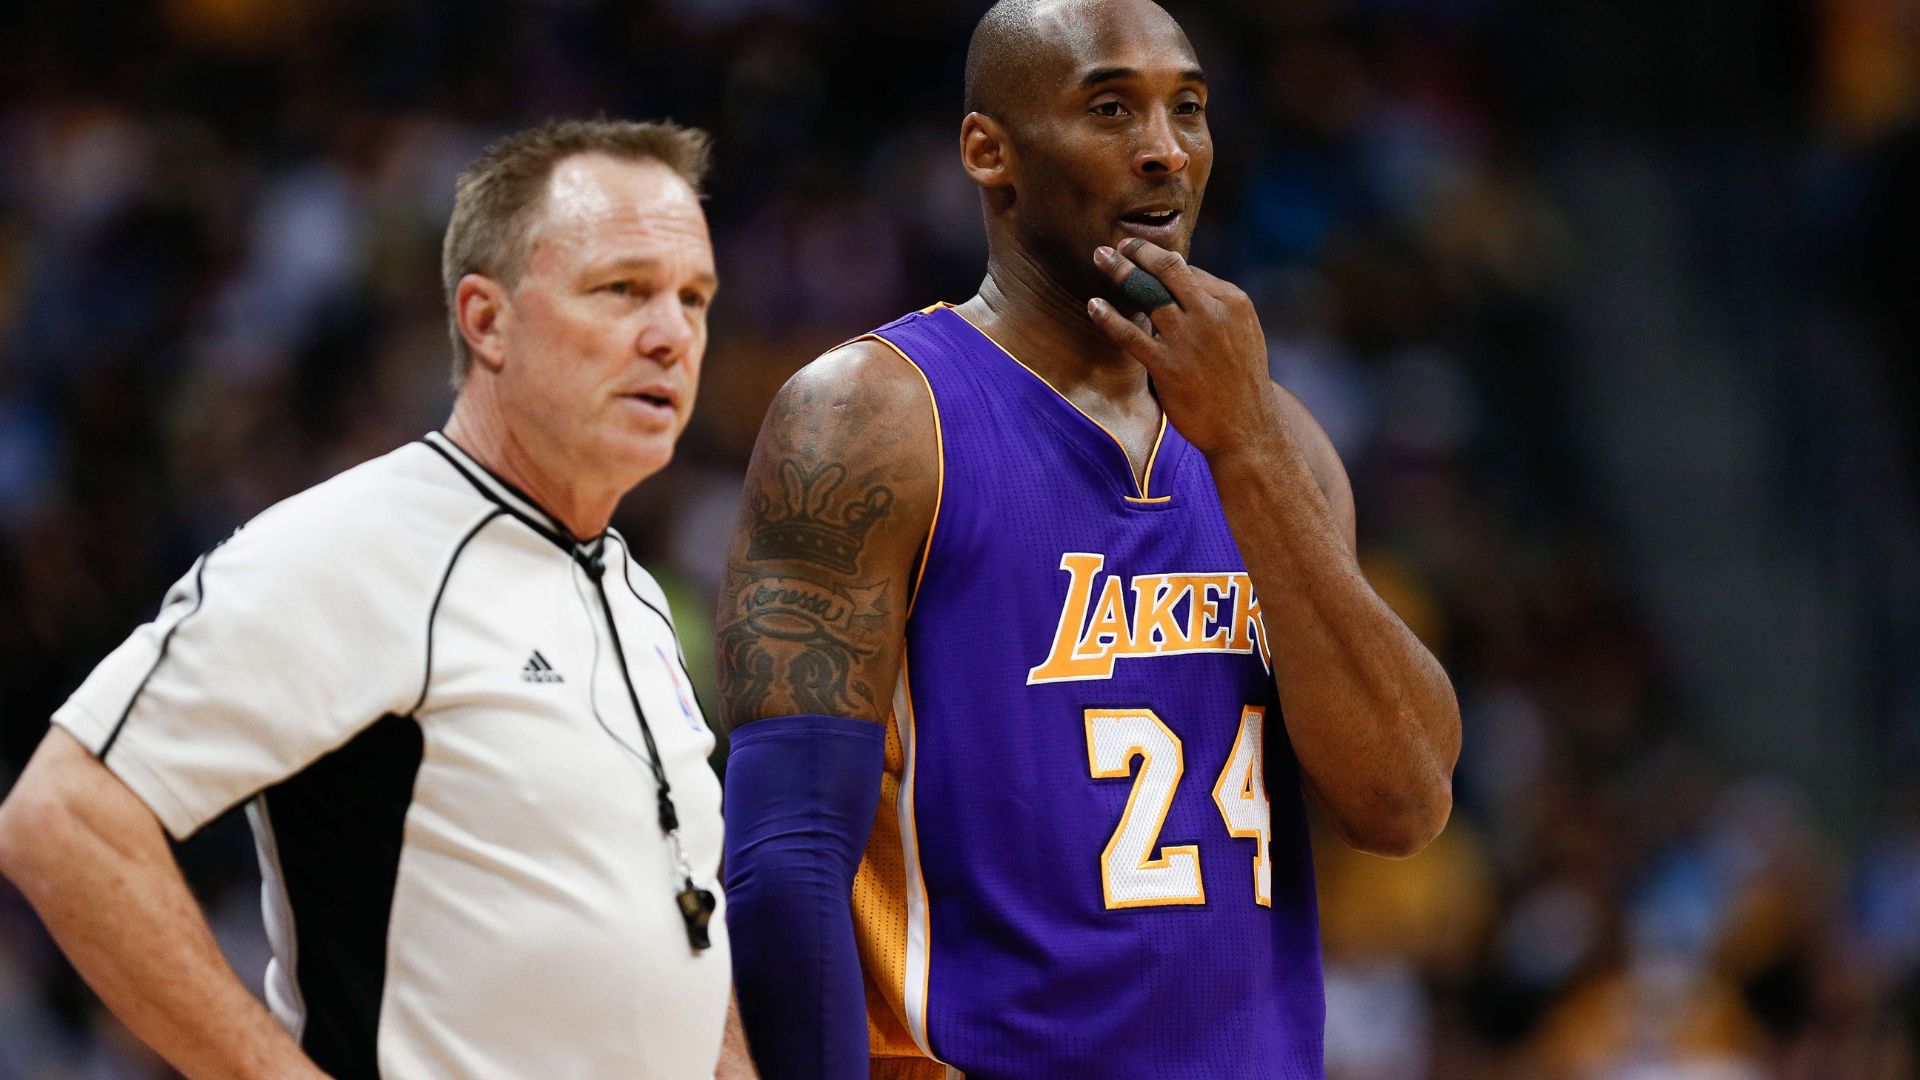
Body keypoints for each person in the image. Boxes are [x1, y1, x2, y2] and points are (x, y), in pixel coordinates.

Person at [714, 1, 1462, 1077]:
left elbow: (1401, 805)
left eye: (1188, 110)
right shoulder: (872, 415)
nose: (1164, 150)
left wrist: (1246, 448)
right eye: (1111, 108)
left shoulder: (1274, 439)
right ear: (990, 151)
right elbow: (788, 855)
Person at [0, 119, 755, 1079]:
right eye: (623, 290)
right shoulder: (357, 545)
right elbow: (62, 820)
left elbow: (674, 911)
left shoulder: (634, 589)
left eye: (694, 298)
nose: (671, 335)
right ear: (486, 321)